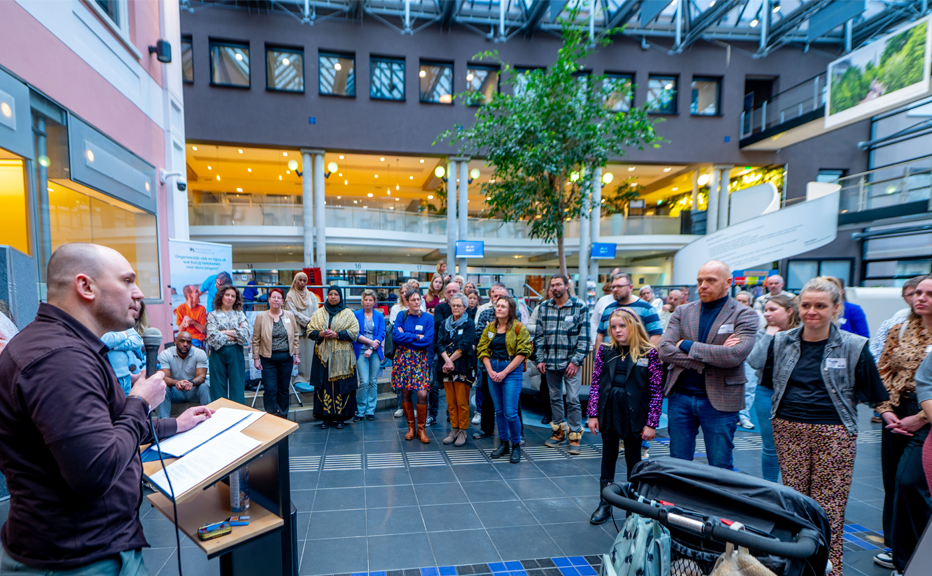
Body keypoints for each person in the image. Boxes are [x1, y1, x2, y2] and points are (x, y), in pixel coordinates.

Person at [0, 243, 212, 573]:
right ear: (85, 286)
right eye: (127, 281)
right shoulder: (60, 360)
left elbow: (107, 428)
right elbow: (95, 470)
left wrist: (176, 425)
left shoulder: (64, 346)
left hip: (85, 548)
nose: (138, 293)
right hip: (79, 560)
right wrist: (140, 402)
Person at [752, 277, 887, 576]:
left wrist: (892, 416)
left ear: (836, 309)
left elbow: (873, 392)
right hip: (789, 428)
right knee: (795, 502)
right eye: (806, 305)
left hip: (834, 433)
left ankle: (829, 568)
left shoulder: (854, 345)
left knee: (829, 506)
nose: (812, 311)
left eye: (821, 306)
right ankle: (797, 565)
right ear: (797, 307)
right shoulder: (781, 342)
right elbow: (768, 380)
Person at [658, 260, 758, 470]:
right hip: (681, 397)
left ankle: (717, 502)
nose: (703, 285)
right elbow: (665, 349)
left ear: (728, 282)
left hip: (721, 401)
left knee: (720, 464)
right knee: (678, 462)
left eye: (710, 280)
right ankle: (680, 502)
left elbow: (734, 356)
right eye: (700, 280)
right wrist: (709, 358)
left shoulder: (744, 314)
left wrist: (686, 344)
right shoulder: (683, 311)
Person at [875, 275, 932, 575]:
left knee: (911, 483)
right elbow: (883, 370)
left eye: (928, 294)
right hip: (896, 411)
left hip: (925, 415)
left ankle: (913, 557)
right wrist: (885, 411)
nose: (920, 298)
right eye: (917, 292)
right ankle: (896, 548)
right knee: (893, 483)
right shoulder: (900, 329)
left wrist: (919, 418)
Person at [586, 308, 663, 524]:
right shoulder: (605, 351)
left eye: (622, 326)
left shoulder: (650, 353)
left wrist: (651, 423)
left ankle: (633, 505)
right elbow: (596, 384)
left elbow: (656, 391)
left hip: (635, 414)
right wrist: (593, 414)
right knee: (608, 456)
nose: (617, 331)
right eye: (613, 327)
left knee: (633, 459)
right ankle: (605, 503)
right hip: (609, 410)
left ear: (634, 326)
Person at [533, 274, 590, 455]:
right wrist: (540, 359)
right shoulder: (544, 307)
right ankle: (558, 432)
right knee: (554, 398)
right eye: (552, 285)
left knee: (573, 399)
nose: (555, 288)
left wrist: (575, 362)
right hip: (550, 362)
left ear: (567, 286)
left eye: (558, 284)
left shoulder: (579, 306)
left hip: (570, 363)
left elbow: (584, 338)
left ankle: (574, 435)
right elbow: (539, 336)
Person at [747, 294, 799, 482]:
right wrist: (770, 334)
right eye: (766, 310)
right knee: (770, 446)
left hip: (795, 394)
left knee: (795, 446)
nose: (767, 314)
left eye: (773, 309)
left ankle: (793, 489)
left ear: (789, 311)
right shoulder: (764, 333)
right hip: (766, 392)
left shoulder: (803, 334)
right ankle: (770, 488)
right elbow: (755, 361)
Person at [478, 296, 532, 463]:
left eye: (503, 306)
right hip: (493, 369)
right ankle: (504, 443)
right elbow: (482, 349)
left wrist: (504, 372)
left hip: (511, 371)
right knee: (499, 411)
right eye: (497, 306)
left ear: (511, 310)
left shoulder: (518, 328)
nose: (499, 308)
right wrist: (490, 370)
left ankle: (516, 444)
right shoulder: (490, 328)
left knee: (510, 412)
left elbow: (523, 352)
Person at [307, 286, 359, 429]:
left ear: (340, 296)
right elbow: (310, 331)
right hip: (323, 358)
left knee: (340, 387)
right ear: (327, 296)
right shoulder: (319, 312)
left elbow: (354, 332)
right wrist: (321, 334)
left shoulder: (348, 313)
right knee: (325, 388)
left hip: (342, 358)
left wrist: (337, 335)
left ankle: (341, 418)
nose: (333, 297)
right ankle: (326, 418)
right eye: (330, 294)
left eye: (336, 294)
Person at [391, 290, 434, 443]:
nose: (416, 302)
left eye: (418, 299)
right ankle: (411, 428)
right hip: (403, 359)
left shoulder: (428, 318)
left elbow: (427, 340)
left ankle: (421, 429)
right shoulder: (401, 316)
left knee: (422, 394)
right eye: (413, 299)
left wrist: (406, 337)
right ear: (407, 302)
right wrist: (415, 336)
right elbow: (396, 336)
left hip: (420, 359)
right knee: (405, 393)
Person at [252, 288, 300, 417]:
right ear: (269, 299)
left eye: (279, 297)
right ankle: (271, 415)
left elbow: (295, 336)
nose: (276, 300)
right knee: (270, 389)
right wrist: (256, 358)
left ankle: (283, 414)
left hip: (286, 358)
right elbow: (255, 339)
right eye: (273, 297)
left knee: (283, 389)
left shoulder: (289, 316)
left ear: (282, 301)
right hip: (268, 359)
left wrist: (297, 354)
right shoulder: (261, 317)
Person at [436, 293, 477, 446]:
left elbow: (465, 345)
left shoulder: (469, 324)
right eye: (453, 305)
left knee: (461, 401)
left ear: (465, 307)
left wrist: (450, 360)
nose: (455, 308)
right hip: (447, 368)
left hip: (462, 367)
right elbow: (439, 343)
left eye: (459, 305)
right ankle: (453, 429)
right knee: (450, 402)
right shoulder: (444, 324)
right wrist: (447, 361)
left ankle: (462, 431)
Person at [472, 282, 510, 439]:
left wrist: (492, 333)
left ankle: (516, 433)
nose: (497, 300)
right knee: (487, 397)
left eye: (501, 297)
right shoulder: (485, 314)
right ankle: (487, 429)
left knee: (511, 401)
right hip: (487, 363)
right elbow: (479, 338)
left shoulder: (515, 318)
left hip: (508, 365)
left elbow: (512, 343)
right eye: (495, 296)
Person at [594, 274, 663, 349]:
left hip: (636, 357)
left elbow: (656, 335)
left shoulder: (646, 308)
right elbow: (600, 335)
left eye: (619, 286)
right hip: (610, 357)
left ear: (630, 287)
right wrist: (598, 358)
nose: (615, 289)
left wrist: (646, 356)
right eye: (613, 287)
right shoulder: (608, 309)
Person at [206, 285, 250, 403]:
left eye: (233, 296)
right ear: (221, 296)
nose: (230, 298)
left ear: (236, 299)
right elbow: (212, 337)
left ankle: (239, 417)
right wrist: (234, 332)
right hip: (217, 352)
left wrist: (222, 332)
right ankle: (220, 418)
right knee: (218, 388)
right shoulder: (212, 315)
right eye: (227, 295)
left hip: (236, 352)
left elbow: (244, 334)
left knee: (238, 388)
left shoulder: (240, 314)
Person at [428, 282, 461, 426]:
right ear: (445, 293)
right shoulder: (440, 308)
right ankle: (432, 415)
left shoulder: (465, 310)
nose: (452, 293)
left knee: (454, 385)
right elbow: (439, 325)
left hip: (459, 355)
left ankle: (451, 415)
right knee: (435, 385)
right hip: (440, 352)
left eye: (455, 291)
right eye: (449, 291)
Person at [158, 331, 210, 419]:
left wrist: (191, 383)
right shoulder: (166, 354)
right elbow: (164, 377)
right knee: (164, 388)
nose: (185, 344)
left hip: (193, 390)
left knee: (204, 387)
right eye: (182, 341)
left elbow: (202, 377)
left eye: (188, 342)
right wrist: (176, 382)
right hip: (175, 391)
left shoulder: (200, 353)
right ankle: (163, 421)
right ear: (175, 342)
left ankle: (209, 418)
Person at [870, 276, 922, 359]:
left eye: (929, 293)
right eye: (911, 294)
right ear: (904, 298)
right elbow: (876, 357)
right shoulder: (891, 325)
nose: (919, 298)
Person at [353, 290, 385, 421]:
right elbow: (355, 333)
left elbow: (381, 334)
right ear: (362, 301)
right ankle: (360, 410)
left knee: (373, 381)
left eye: (370, 300)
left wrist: (371, 347)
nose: (368, 302)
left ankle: (370, 410)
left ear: (374, 301)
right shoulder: (356, 315)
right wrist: (370, 342)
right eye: (366, 300)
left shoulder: (379, 316)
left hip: (374, 352)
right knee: (363, 381)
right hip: (361, 350)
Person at [285, 272, 320, 393]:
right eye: (300, 280)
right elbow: (292, 312)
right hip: (297, 330)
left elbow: (316, 311)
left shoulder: (311, 295)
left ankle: (310, 378)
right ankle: (298, 379)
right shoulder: (290, 295)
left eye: (304, 280)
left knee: (310, 355)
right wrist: (307, 321)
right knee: (299, 355)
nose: (302, 283)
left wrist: (310, 322)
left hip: (310, 330)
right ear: (295, 280)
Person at [101, 316, 145, 396]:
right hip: (107, 378)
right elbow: (103, 341)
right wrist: (123, 334)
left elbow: (137, 341)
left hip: (126, 377)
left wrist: (115, 346)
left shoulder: (120, 318)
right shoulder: (94, 319)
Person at [733, 291, 758, 430]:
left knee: (749, 388)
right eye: (739, 300)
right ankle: (734, 415)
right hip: (731, 355)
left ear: (750, 303)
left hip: (750, 356)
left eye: (745, 301)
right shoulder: (727, 317)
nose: (741, 304)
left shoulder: (756, 317)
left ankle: (744, 417)